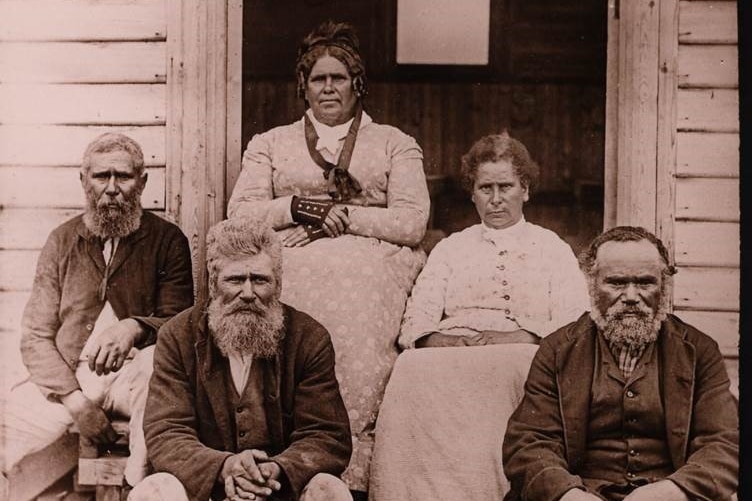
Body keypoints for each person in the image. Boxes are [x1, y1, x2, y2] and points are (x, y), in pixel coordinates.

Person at [227, 20, 430, 493]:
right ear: (304, 86)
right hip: (291, 253)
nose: (329, 88)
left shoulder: (394, 143)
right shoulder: (270, 143)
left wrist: (341, 216)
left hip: (369, 262)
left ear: (357, 85)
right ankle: (278, 459)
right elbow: (239, 214)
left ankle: (353, 473)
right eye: (318, 79)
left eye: (339, 78)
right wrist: (295, 207)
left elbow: (412, 221)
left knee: (359, 304)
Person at [369, 133, 589, 501]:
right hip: (452, 349)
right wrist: (445, 341)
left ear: (526, 190)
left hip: (524, 348)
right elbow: (417, 318)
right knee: (411, 367)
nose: (496, 198)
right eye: (485, 187)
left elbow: (574, 319)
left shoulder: (551, 247)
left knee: (514, 365)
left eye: (507, 186)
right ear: (472, 193)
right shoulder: (451, 248)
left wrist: (522, 336)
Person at [0, 132, 194, 486]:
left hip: (133, 378)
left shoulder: (168, 241)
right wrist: (74, 400)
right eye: (101, 176)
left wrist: (134, 327)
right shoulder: (61, 241)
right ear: (84, 181)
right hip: (70, 378)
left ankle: (141, 487)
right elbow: (36, 336)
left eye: (124, 176)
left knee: (158, 373)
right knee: (6, 425)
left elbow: (180, 323)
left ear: (142, 182)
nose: (112, 187)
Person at [502, 226, 738, 501]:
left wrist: (672, 491)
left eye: (645, 283)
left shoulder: (699, 351)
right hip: (582, 494)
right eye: (616, 283)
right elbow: (529, 442)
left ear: (664, 286)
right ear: (592, 285)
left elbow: (725, 442)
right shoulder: (557, 349)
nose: (630, 296)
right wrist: (568, 494)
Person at [130, 217, 352, 501]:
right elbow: (167, 433)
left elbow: (327, 435)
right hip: (207, 489)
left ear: (279, 285)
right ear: (213, 283)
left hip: (279, 490)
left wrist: (276, 470)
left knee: (329, 491)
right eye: (235, 280)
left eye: (260, 280)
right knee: (155, 491)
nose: (248, 293)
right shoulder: (177, 337)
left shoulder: (309, 338)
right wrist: (224, 468)